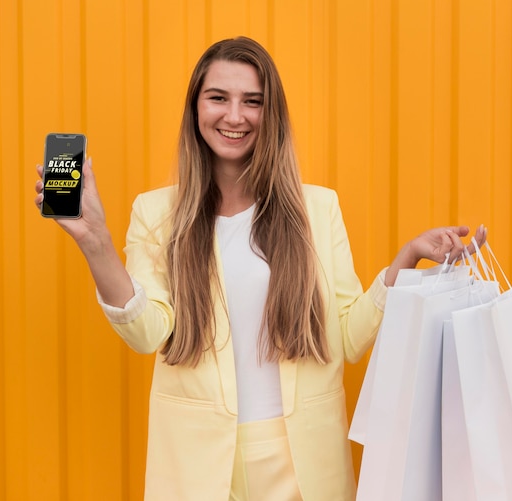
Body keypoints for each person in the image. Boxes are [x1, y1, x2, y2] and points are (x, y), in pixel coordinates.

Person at [35, 36, 486, 501]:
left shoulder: (318, 208)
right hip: (197, 467)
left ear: (272, 115)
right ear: (195, 109)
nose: (235, 116)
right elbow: (147, 332)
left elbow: (348, 338)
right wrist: (96, 242)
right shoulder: (155, 214)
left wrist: (407, 258)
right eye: (218, 98)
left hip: (302, 463)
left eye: (253, 102)